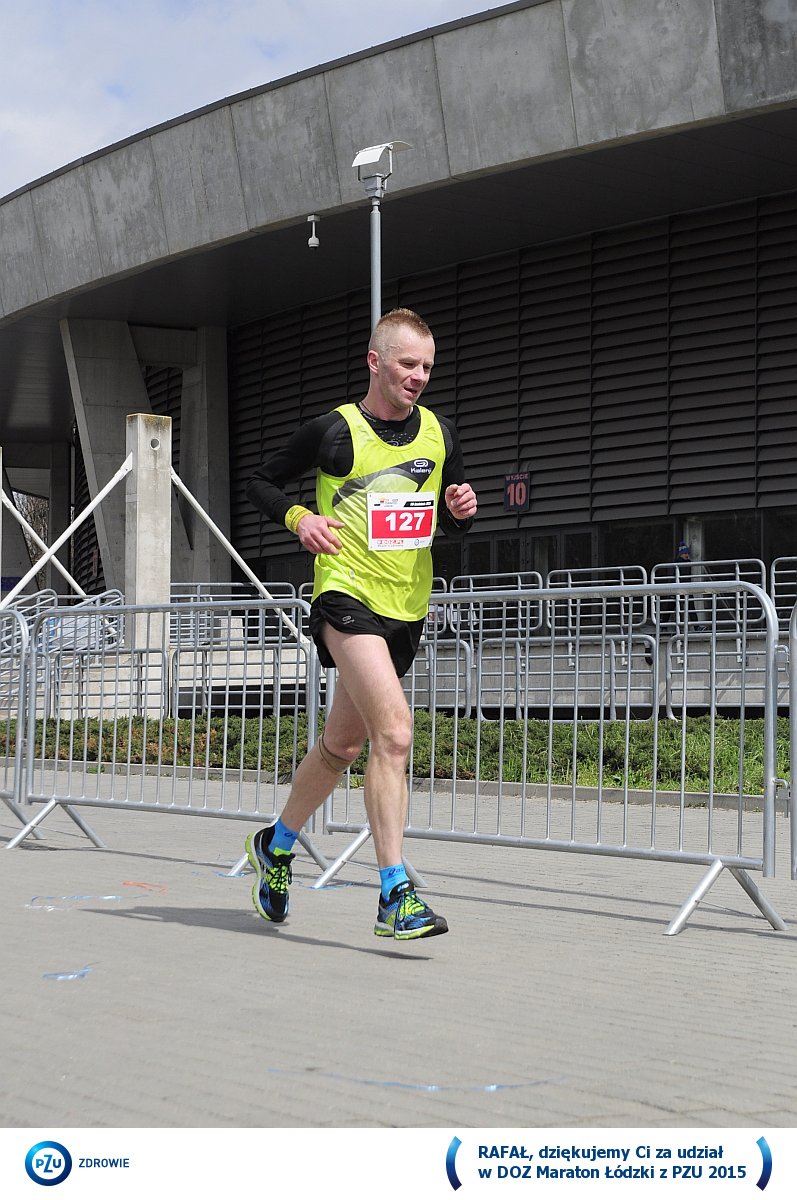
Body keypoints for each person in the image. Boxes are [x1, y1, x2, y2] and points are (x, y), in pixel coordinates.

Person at [244, 308, 477, 940]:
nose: (419, 377)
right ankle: (394, 894)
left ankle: (276, 844)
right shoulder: (335, 431)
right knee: (394, 734)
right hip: (345, 597)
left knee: (342, 747)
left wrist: (462, 510)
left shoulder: (441, 433)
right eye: (408, 364)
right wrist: (300, 520)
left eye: (427, 367)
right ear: (376, 362)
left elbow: (448, 516)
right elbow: (261, 482)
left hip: (406, 607)